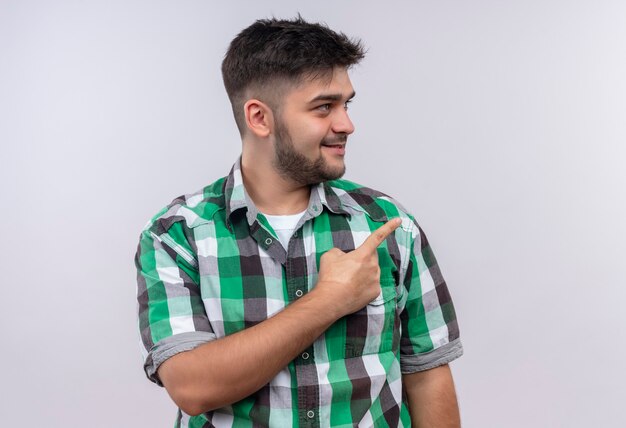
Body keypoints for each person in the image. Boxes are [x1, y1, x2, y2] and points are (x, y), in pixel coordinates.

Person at [135, 16, 463, 428]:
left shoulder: (390, 225)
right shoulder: (176, 235)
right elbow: (192, 387)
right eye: (324, 107)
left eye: (346, 104)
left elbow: (428, 375)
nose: (346, 124)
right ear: (260, 118)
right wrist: (329, 300)